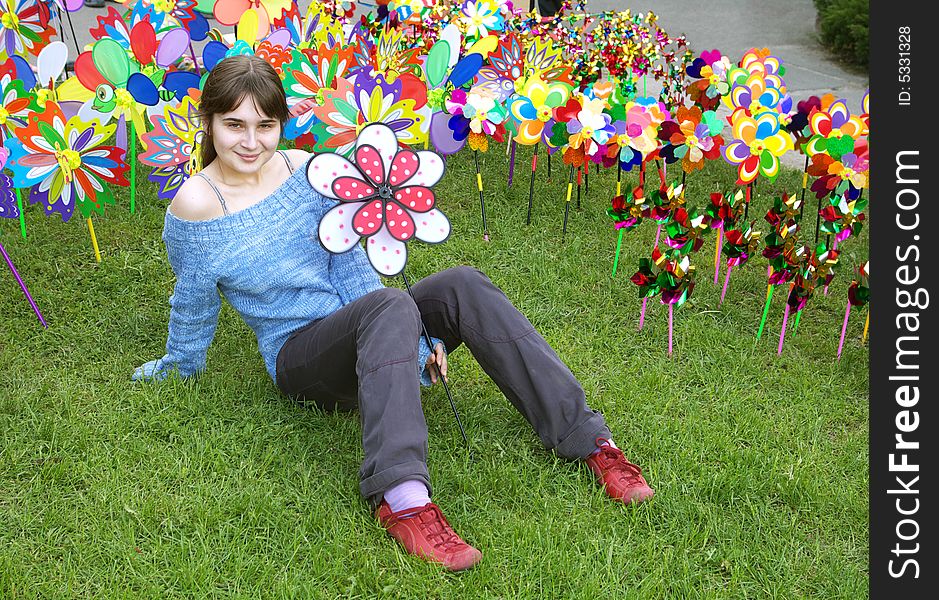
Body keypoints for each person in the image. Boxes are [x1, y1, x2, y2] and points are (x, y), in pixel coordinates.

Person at [134, 55, 653, 572]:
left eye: (265, 126)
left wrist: (415, 338)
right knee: (386, 305)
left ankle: (590, 441)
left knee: (461, 285)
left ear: (280, 124)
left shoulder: (306, 171)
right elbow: (193, 299)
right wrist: (180, 364)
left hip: (369, 326)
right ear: (210, 123)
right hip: (301, 361)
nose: (251, 142)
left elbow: (351, 264)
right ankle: (403, 498)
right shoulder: (197, 205)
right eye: (234, 126)